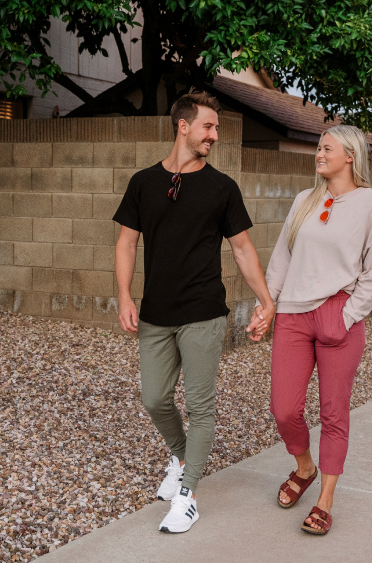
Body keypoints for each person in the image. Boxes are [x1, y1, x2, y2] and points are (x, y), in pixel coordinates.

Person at [113, 89, 274, 534]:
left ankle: (188, 496)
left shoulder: (222, 188)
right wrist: (125, 296)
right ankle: (182, 458)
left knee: (201, 407)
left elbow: (241, 248)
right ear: (183, 126)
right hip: (155, 313)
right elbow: (126, 242)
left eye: (216, 127)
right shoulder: (143, 182)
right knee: (155, 398)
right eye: (208, 126)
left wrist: (266, 299)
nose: (215, 135)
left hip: (204, 312)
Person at [251, 125, 372, 535]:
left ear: (350, 155)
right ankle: (304, 467)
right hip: (294, 315)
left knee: (333, 413)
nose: (318, 153)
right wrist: (268, 307)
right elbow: (280, 259)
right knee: (284, 409)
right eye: (318, 146)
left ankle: (325, 500)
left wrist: (347, 316)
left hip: (338, 314)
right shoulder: (304, 200)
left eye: (326, 148)